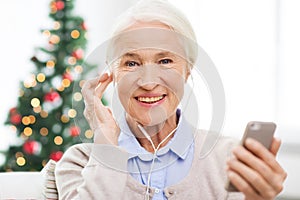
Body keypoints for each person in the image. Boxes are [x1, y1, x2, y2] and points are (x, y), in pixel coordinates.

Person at [55, 0, 287, 199]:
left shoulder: (227, 158)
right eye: (131, 63)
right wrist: (106, 140)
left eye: (165, 61)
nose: (147, 82)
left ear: (187, 70)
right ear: (112, 74)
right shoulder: (80, 162)